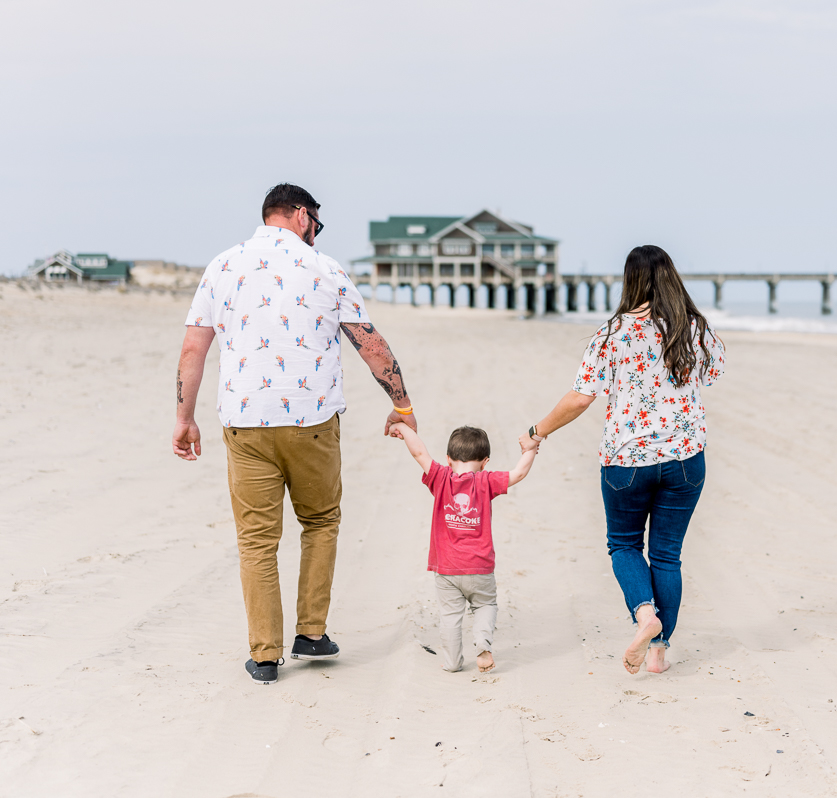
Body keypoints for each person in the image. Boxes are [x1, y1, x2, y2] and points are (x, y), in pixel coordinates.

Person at [172, 183, 417, 686]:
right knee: (321, 521)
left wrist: (184, 417)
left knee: (257, 542)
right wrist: (402, 405)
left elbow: (193, 350)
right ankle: (311, 633)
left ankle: (264, 657)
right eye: (317, 225)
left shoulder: (222, 266)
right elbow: (370, 345)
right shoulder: (325, 268)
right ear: (301, 216)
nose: (316, 235)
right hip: (312, 421)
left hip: (245, 422)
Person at [521, 245, 725, 675]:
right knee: (667, 554)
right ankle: (658, 653)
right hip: (686, 458)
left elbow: (580, 399)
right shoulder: (692, 327)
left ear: (630, 280)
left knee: (625, 545)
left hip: (626, 461)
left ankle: (644, 615)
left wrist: (537, 433)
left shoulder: (612, 333)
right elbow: (714, 372)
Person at [389, 424, 538, 673]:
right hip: (479, 567)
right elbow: (518, 474)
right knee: (485, 605)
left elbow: (419, 453)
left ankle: (452, 663)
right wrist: (531, 449)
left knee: (449, 617)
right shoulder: (486, 480)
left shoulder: (440, 476)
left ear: (448, 459)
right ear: (485, 462)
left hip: (446, 569)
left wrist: (404, 428)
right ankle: (482, 643)